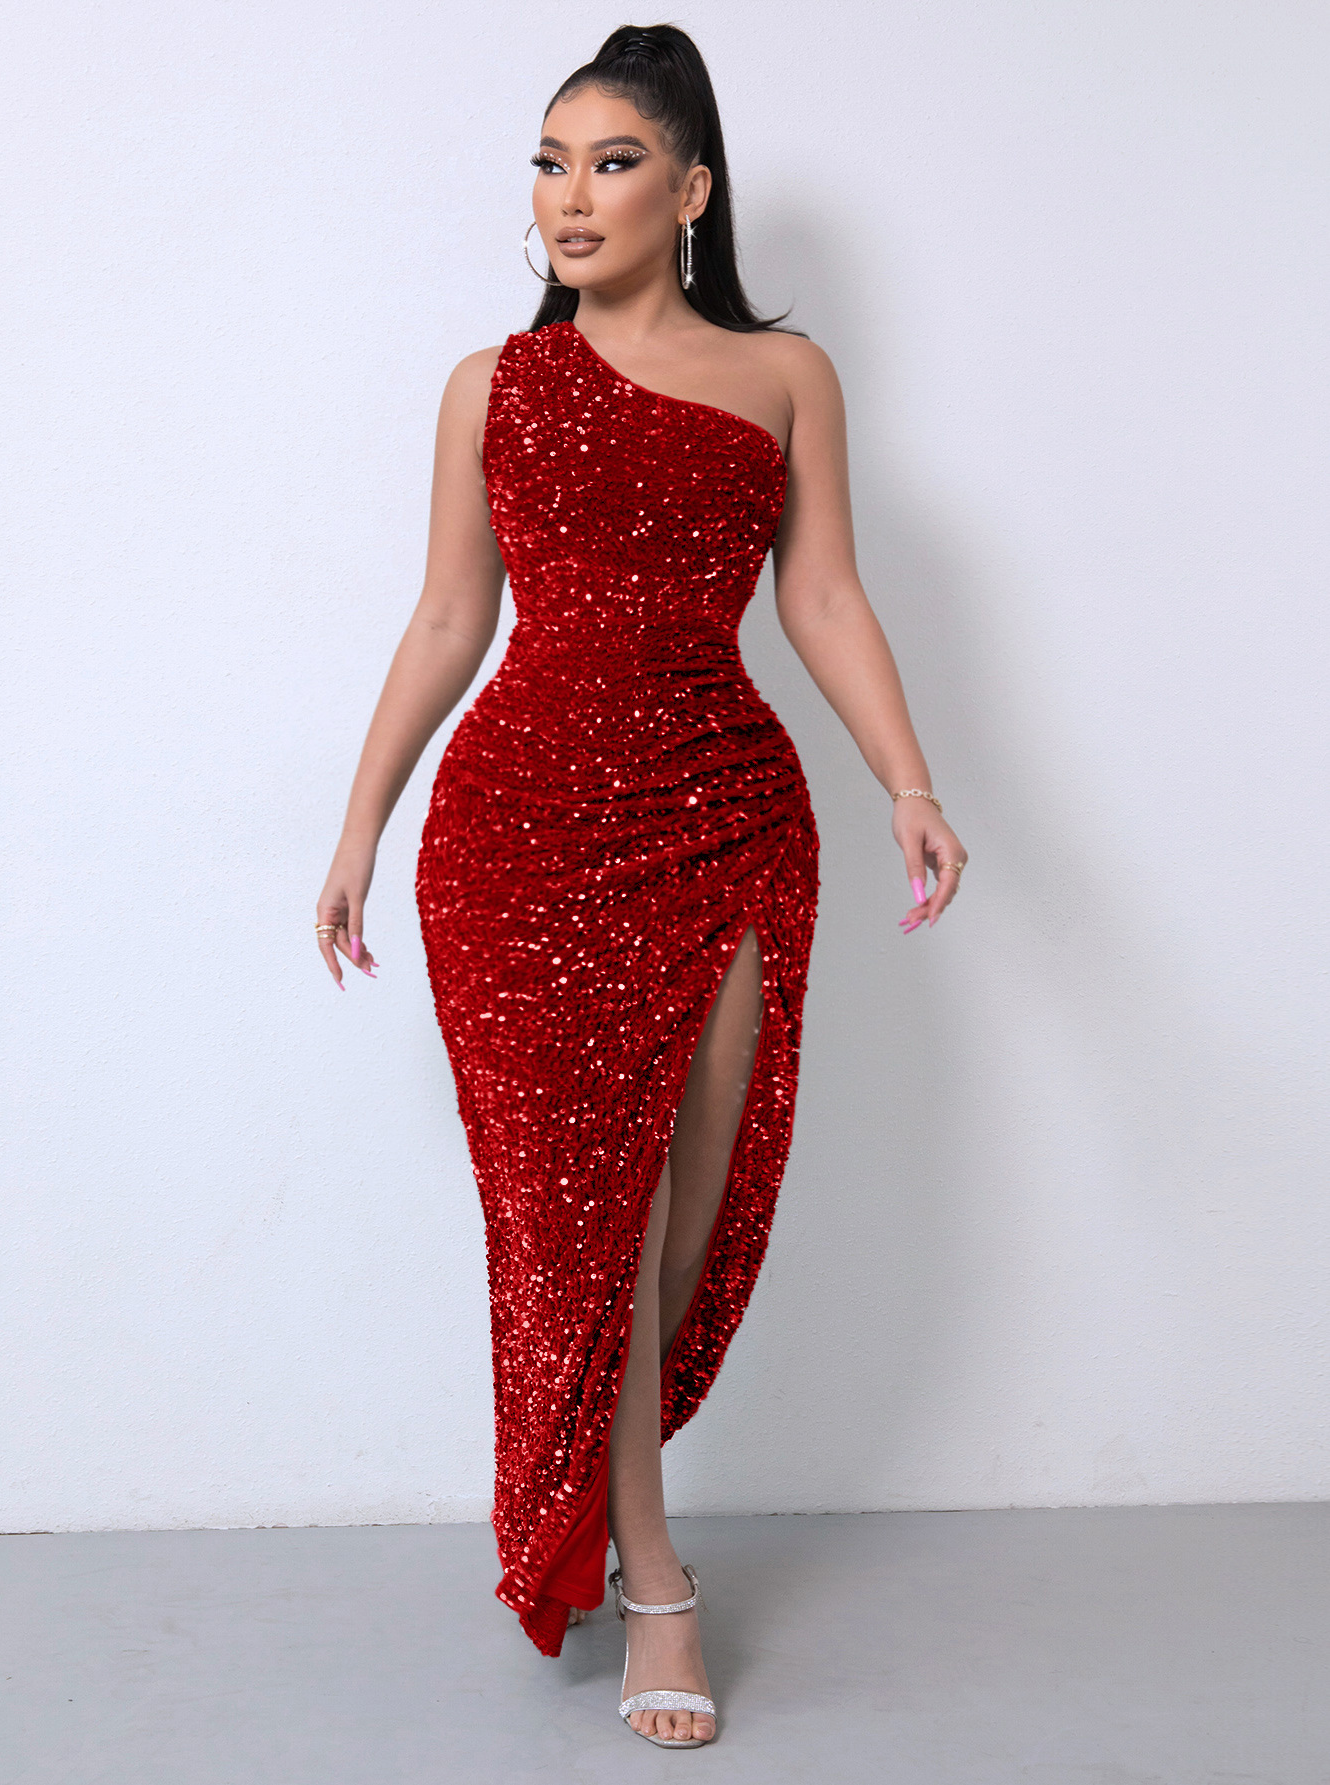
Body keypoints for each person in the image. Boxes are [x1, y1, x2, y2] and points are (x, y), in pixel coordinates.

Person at [315, 22, 968, 1750]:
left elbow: (822, 594)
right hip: (514, 834)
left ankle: (588, 1496)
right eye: (550, 163)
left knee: (683, 1210)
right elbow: (448, 616)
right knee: (572, 1221)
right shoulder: (492, 386)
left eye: (611, 162)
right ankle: (654, 1571)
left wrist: (908, 780)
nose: (572, 194)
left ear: (690, 191)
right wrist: (360, 822)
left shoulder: (785, 376)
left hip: (727, 819)